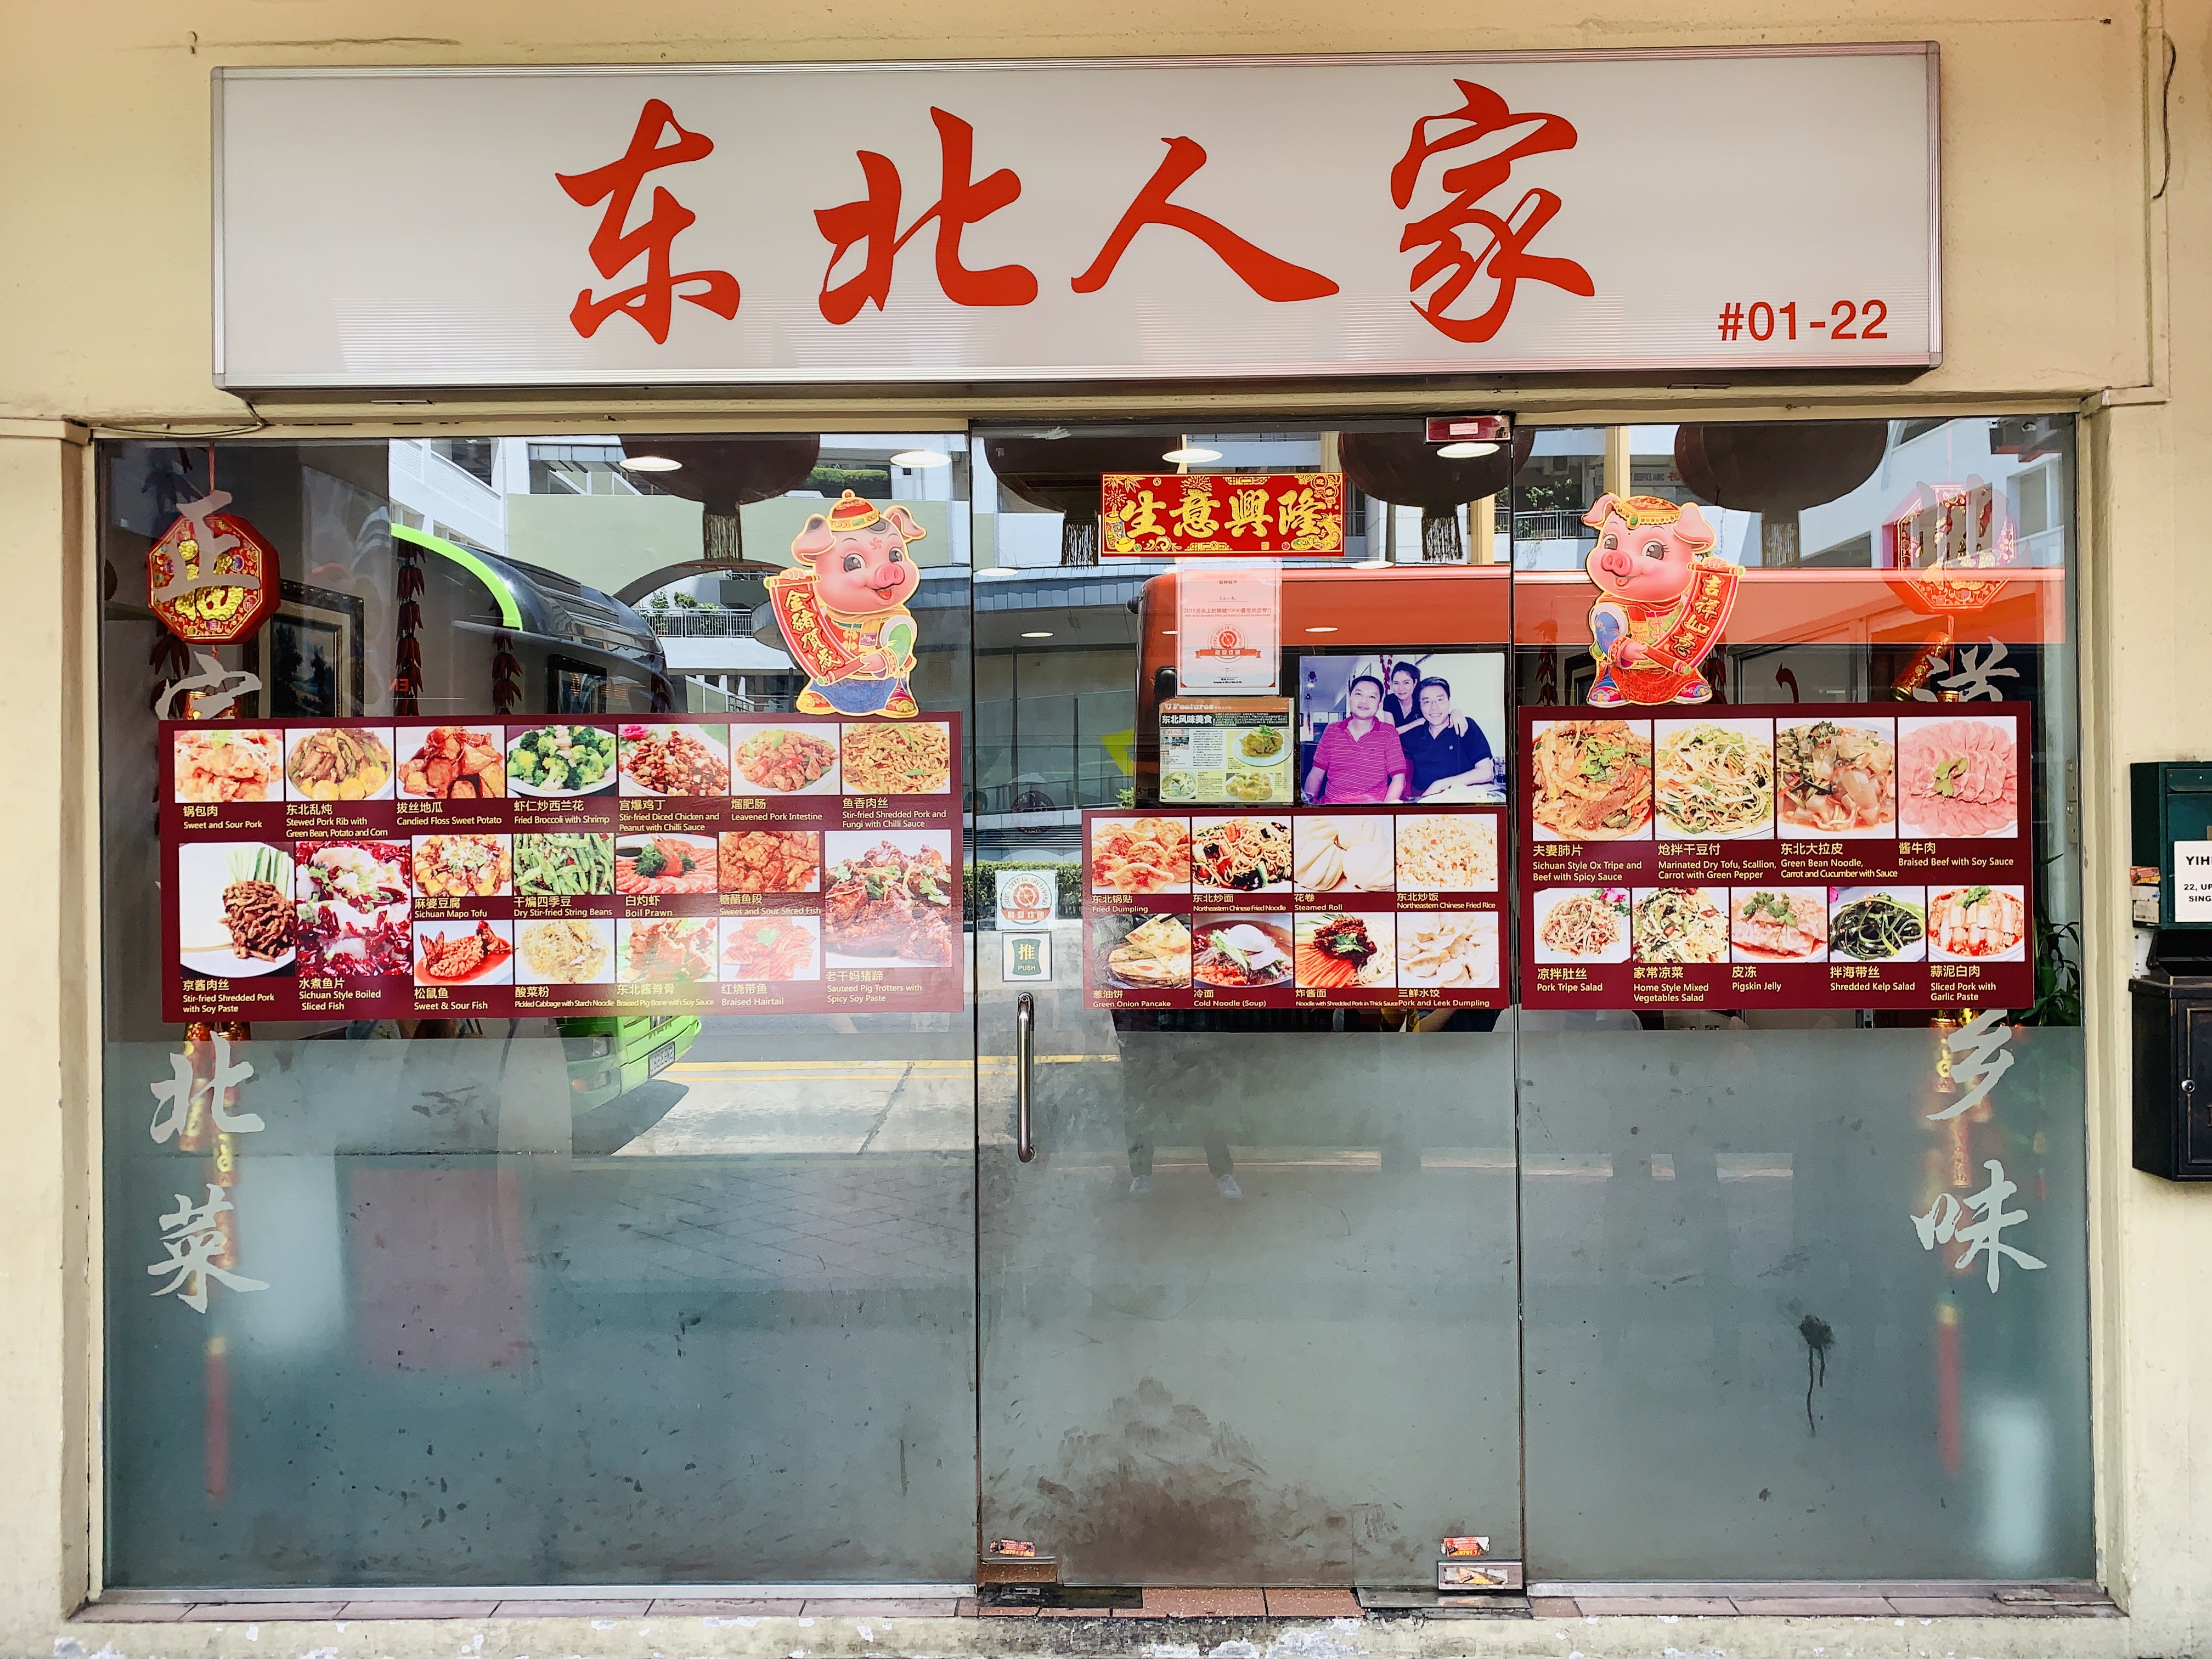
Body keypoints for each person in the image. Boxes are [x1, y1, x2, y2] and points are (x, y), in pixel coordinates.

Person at [1304, 674, 1408, 804]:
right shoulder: (1332, 731)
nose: (1364, 701)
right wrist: (1309, 803)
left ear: (1380, 704)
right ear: (1350, 698)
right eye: (1359, 694)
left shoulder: (1388, 733)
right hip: (1331, 808)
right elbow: (1317, 773)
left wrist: (1384, 811)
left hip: (1372, 811)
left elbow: (1399, 778)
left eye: (1372, 697)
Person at [1401, 675, 1498, 798]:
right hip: (1425, 802)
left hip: (1464, 799)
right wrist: (1417, 722)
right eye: (1426, 702)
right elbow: (1387, 735)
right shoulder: (1415, 735)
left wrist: (1440, 785)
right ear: (1420, 706)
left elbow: (1486, 773)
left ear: (1449, 701)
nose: (1434, 707)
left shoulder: (1465, 726)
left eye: (1440, 700)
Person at [1381, 662, 1423, 731]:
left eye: (1406, 683)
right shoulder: (1390, 700)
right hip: (1396, 742)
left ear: (1415, 683)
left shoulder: (1421, 700)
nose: (1401, 688)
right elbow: (1389, 733)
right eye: (1396, 683)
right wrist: (1417, 723)